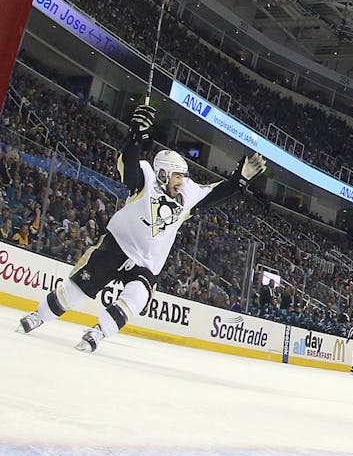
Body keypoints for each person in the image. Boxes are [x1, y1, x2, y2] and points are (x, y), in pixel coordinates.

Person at [16, 103, 266, 352]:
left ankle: (98, 333)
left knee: (136, 297)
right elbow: (129, 164)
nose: (182, 181)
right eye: (177, 176)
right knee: (75, 292)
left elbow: (215, 193)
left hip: (147, 263)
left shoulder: (187, 193)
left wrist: (239, 179)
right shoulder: (145, 179)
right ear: (163, 174)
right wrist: (136, 135)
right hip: (116, 247)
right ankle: (38, 316)